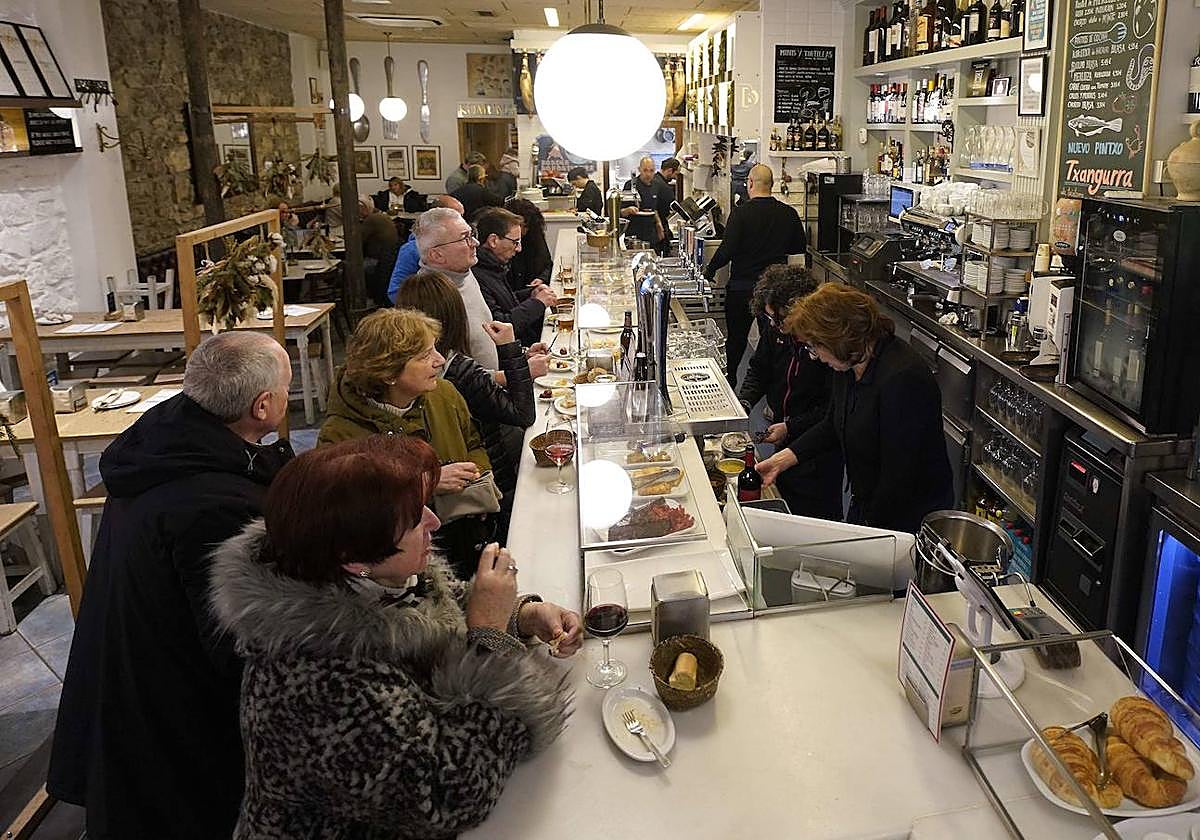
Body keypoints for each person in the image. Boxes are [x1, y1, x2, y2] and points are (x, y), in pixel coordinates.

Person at [209, 434, 580, 838]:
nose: (434, 522)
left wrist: (521, 617)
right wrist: (490, 638)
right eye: (413, 520)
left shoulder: (362, 576)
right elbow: (447, 796)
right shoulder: (316, 682)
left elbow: (433, 614)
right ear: (354, 560)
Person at [47, 332, 295, 840]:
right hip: (170, 711)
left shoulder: (167, 443)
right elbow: (233, 643)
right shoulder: (212, 503)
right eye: (288, 388)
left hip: (127, 673)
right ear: (263, 405)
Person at [756, 283, 954, 533]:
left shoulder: (903, 378)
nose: (815, 355)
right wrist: (782, 460)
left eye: (815, 347)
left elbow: (900, 474)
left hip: (908, 515)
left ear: (838, 339)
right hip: (869, 499)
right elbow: (833, 424)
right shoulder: (850, 364)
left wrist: (865, 531)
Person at [318, 308, 495, 578]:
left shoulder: (444, 394)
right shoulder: (341, 435)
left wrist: (479, 482)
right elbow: (350, 517)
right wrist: (426, 483)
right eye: (425, 355)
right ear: (388, 373)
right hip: (401, 565)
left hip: (463, 534)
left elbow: (472, 443)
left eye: (435, 349)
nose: (439, 360)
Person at [394, 270, 539, 541]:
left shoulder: (435, 371)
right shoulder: (454, 370)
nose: (434, 361)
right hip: (486, 486)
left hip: (452, 494)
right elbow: (523, 414)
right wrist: (509, 350)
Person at [738, 265, 842, 521]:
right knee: (781, 494)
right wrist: (744, 401)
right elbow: (759, 369)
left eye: (779, 319)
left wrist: (791, 426)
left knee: (812, 517)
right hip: (784, 433)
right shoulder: (776, 332)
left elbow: (833, 411)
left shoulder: (825, 344)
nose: (775, 325)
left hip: (818, 447)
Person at [703, 164, 806, 388]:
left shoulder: (740, 214)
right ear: (772, 185)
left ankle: (730, 384)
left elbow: (727, 250)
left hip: (742, 289)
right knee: (775, 344)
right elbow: (798, 247)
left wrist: (709, 271)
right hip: (775, 292)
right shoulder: (789, 213)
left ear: (750, 183)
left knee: (737, 340)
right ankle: (774, 395)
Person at [415, 206, 498, 370]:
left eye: (472, 234)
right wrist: (509, 375)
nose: (475, 243)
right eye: (464, 238)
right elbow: (443, 371)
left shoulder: (463, 272)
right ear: (437, 255)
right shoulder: (428, 296)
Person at [473, 207, 557, 347]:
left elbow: (505, 301)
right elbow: (499, 326)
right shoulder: (478, 275)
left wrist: (531, 293)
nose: (519, 249)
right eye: (515, 242)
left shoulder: (493, 266)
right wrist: (537, 303)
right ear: (493, 240)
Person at [388, 195, 464, 303]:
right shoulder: (412, 249)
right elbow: (395, 292)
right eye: (456, 217)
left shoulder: (465, 245)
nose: (463, 222)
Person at [359, 195, 401, 307]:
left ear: (364, 209)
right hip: (390, 258)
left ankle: (364, 299)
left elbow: (358, 241)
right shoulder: (381, 216)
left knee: (353, 269)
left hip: (379, 260)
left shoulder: (371, 220)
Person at [621, 156, 670, 250]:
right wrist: (629, 210)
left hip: (651, 232)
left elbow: (655, 209)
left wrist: (659, 225)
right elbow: (621, 212)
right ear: (639, 170)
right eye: (645, 170)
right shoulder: (630, 185)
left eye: (651, 171)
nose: (648, 174)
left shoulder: (656, 185)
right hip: (634, 232)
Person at [507, 197, 555, 291]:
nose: (524, 231)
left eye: (526, 227)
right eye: (522, 226)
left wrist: (541, 278)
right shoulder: (504, 244)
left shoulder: (534, 235)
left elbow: (547, 264)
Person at [653, 157, 681, 253]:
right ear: (669, 170)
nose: (675, 178)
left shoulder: (654, 180)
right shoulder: (665, 188)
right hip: (658, 229)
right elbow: (671, 209)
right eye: (675, 174)